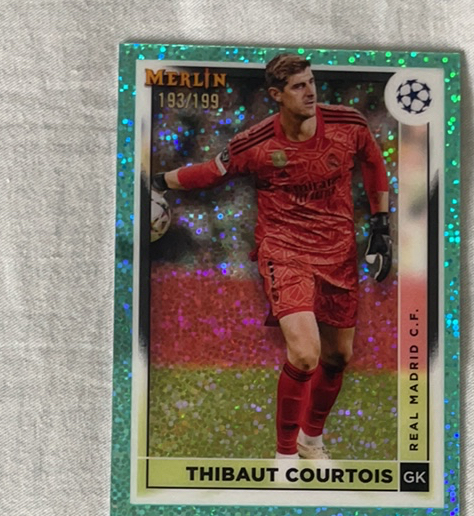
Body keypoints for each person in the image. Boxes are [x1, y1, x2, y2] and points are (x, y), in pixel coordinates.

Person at [154, 53, 392, 462]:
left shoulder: (348, 124)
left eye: (311, 82)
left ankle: (311, 441)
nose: (310, 91)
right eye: (299, 86)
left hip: (337, 253)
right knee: (305, 354)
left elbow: (373, 162)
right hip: (285, 252)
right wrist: (159, 181)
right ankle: (284, 459)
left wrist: (381, 226)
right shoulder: (256, 143)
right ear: (276, 95)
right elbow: (212, 172)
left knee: (338, 357)